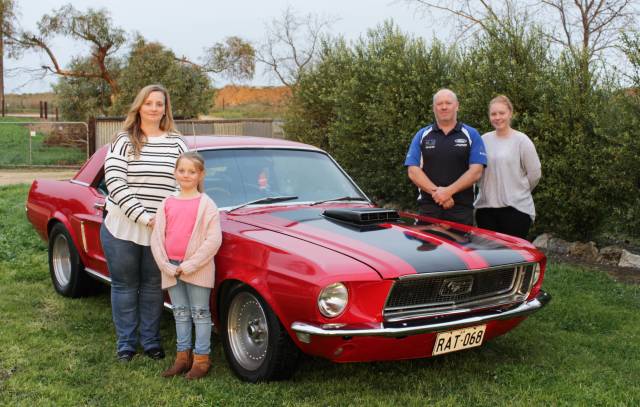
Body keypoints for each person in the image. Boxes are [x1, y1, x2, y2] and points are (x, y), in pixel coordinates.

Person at [100, 84, 188, 362]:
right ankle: (126, 344)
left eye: (159, 104)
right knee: (124, 285)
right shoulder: (123, 140)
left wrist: (169, 217)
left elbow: (185, 182)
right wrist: (144, 217)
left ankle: (150, 341)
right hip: (122, 227)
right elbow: (115, 183)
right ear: (139, 106)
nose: (153, 108)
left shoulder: (177, 143)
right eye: (148, 103)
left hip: (161, 229)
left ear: (165, 109)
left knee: (152, 285)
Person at [150, 152, 222, 380]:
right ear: (175, 173)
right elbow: (157, 237)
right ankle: (183, 357)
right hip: (171, 268)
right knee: (180, 312)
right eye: (182, 171)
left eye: (192, 172)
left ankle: (201, 359)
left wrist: (189, 265)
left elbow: (213, 240)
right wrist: (165, 265)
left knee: (200, 313)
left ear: (201, 175)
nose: (186, 175)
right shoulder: (167, 203)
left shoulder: (207, 205)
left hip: (197, 268)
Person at [404, 88, 487, 225]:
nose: (444, 107)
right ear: (433, 108)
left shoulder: (472, 134)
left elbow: (476, 171)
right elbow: (413, 171)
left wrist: (448, 191)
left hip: (461, 210)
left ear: (457, 106)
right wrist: (438, 194)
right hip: (428, 209)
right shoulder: (422, 135)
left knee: (458, 241)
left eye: (448, 103)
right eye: (439, 104)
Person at [475, 95, 541, 239]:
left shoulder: (522, 140)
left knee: (513, 253)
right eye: (493, 114)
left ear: (510, 113)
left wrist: (519, 190)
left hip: (516, 210)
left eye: (502, 113)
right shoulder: (483, 140)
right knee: (489, 253)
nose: (497, 117)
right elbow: (475, 171)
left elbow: (535, 173)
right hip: (486, 210)